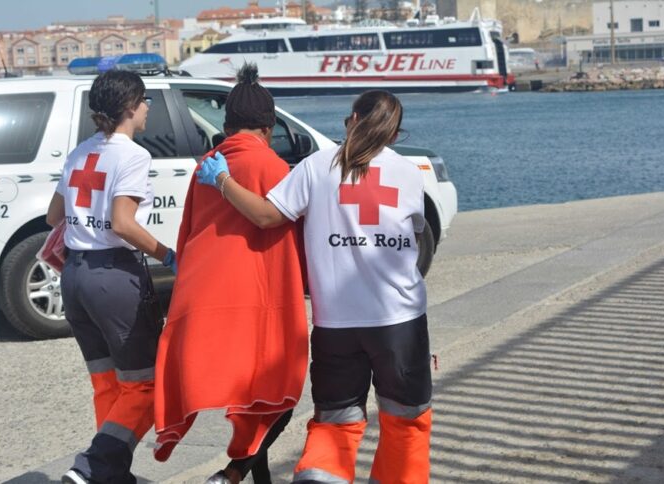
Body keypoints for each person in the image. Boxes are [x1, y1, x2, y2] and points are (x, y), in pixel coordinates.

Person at [198, 90, 433, 483]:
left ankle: (321, 476)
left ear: (351, 119)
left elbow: (266, 216)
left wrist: (221, 179)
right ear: (394, 135)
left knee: (335, 424)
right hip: (400, 322)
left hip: (336, 324)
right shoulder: (410, 174)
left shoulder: (316, 165)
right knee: (405, 422)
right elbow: (416, 233)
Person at [153, 63, 308, 484]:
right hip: (255, 301)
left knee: (251, 398)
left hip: (203, 294)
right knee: (274, 398)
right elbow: (284, 230)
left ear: (228, 123)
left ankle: (246, 477)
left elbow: (188, 231)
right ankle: (232, 475)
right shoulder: (273, 167)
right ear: (269, 124)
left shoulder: (208, 162)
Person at [46, 69, 177, 484]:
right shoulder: (133, 156)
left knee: (108, 385)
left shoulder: (80, 152)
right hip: (113, 278)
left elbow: (54, 217)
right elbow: (123, 223)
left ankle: (110, 475)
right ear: (129, 109)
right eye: (144, 101)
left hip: (75, 277)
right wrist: (171, 255)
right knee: (144, 386)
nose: (148, 108)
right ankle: (90, 469)